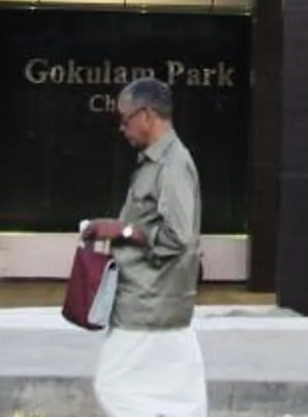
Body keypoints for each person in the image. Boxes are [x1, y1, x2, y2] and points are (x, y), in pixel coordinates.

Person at [80, 77, 205, 417]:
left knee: (115, 387)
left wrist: (122, 229)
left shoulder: (173, 165)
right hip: (152, 302)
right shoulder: (158, 162)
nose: (121, 127)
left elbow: (178, 236)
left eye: (124, 118)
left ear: (147, 115)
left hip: (149, 303)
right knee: (176, 397)